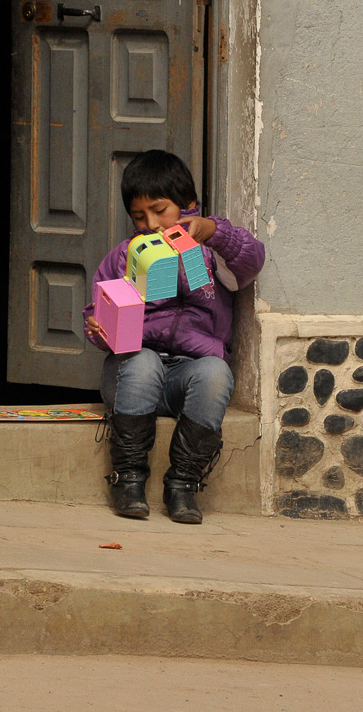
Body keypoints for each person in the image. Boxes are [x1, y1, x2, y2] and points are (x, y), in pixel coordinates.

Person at [82, 150, 266, 524]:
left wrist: (213, 232)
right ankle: (128, 478)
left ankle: (183, 484)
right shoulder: (123, 257)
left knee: (215, 371)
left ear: (188, 206)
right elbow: (100, 315)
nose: (150, 223)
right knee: (144, 361)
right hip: (134, 372)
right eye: (138, 216)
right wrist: (101, 330)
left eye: (160, 210)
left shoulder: (213, 253)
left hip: (187, 375)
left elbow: (251, 262)